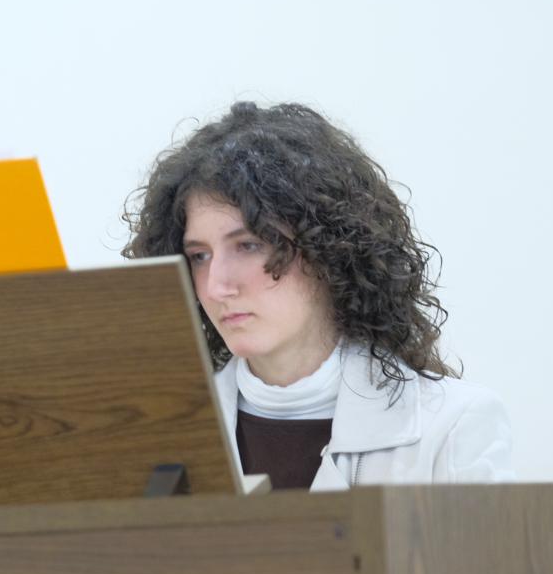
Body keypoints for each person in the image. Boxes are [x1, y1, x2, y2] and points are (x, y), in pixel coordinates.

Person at [122, 102, 513, 491]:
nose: (215, 286)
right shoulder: (150, 435)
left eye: (249, 245)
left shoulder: (452, 427)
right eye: (199, 256)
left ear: (328, 249)